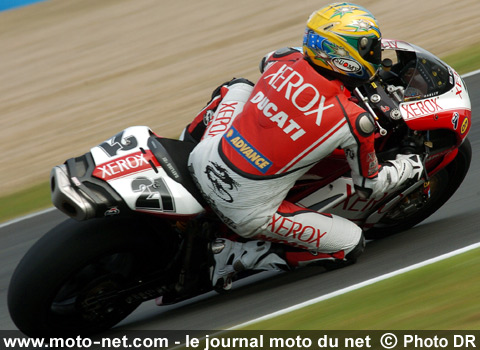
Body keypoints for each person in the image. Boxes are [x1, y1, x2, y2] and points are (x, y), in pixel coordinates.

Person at [185, 2, 424, 290]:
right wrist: (408, 165)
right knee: (351, 243)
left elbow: (268, 60)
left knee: (238, 87)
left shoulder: (283, 60)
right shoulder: (355, 120)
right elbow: (368, 186)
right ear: (343, 55)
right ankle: (239, 254)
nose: (373, 53)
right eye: (367, 48)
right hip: (245, 211)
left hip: (201, 158)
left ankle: (185, 143)